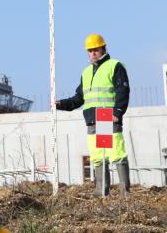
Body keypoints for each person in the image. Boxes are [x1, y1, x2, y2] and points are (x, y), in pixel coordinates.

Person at [55, 34, 131, 197]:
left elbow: (122, 90)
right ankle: (101, 190)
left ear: (103, 48)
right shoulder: (87, 72)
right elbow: (78, 98)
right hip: (92, 118)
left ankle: (125, 192)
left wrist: (118, 111)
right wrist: (61, 104)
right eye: (90, 50)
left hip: (106, 115)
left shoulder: (114, 65)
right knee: (97, 155)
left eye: (96, 49)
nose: (93, 53)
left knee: (116, 152)